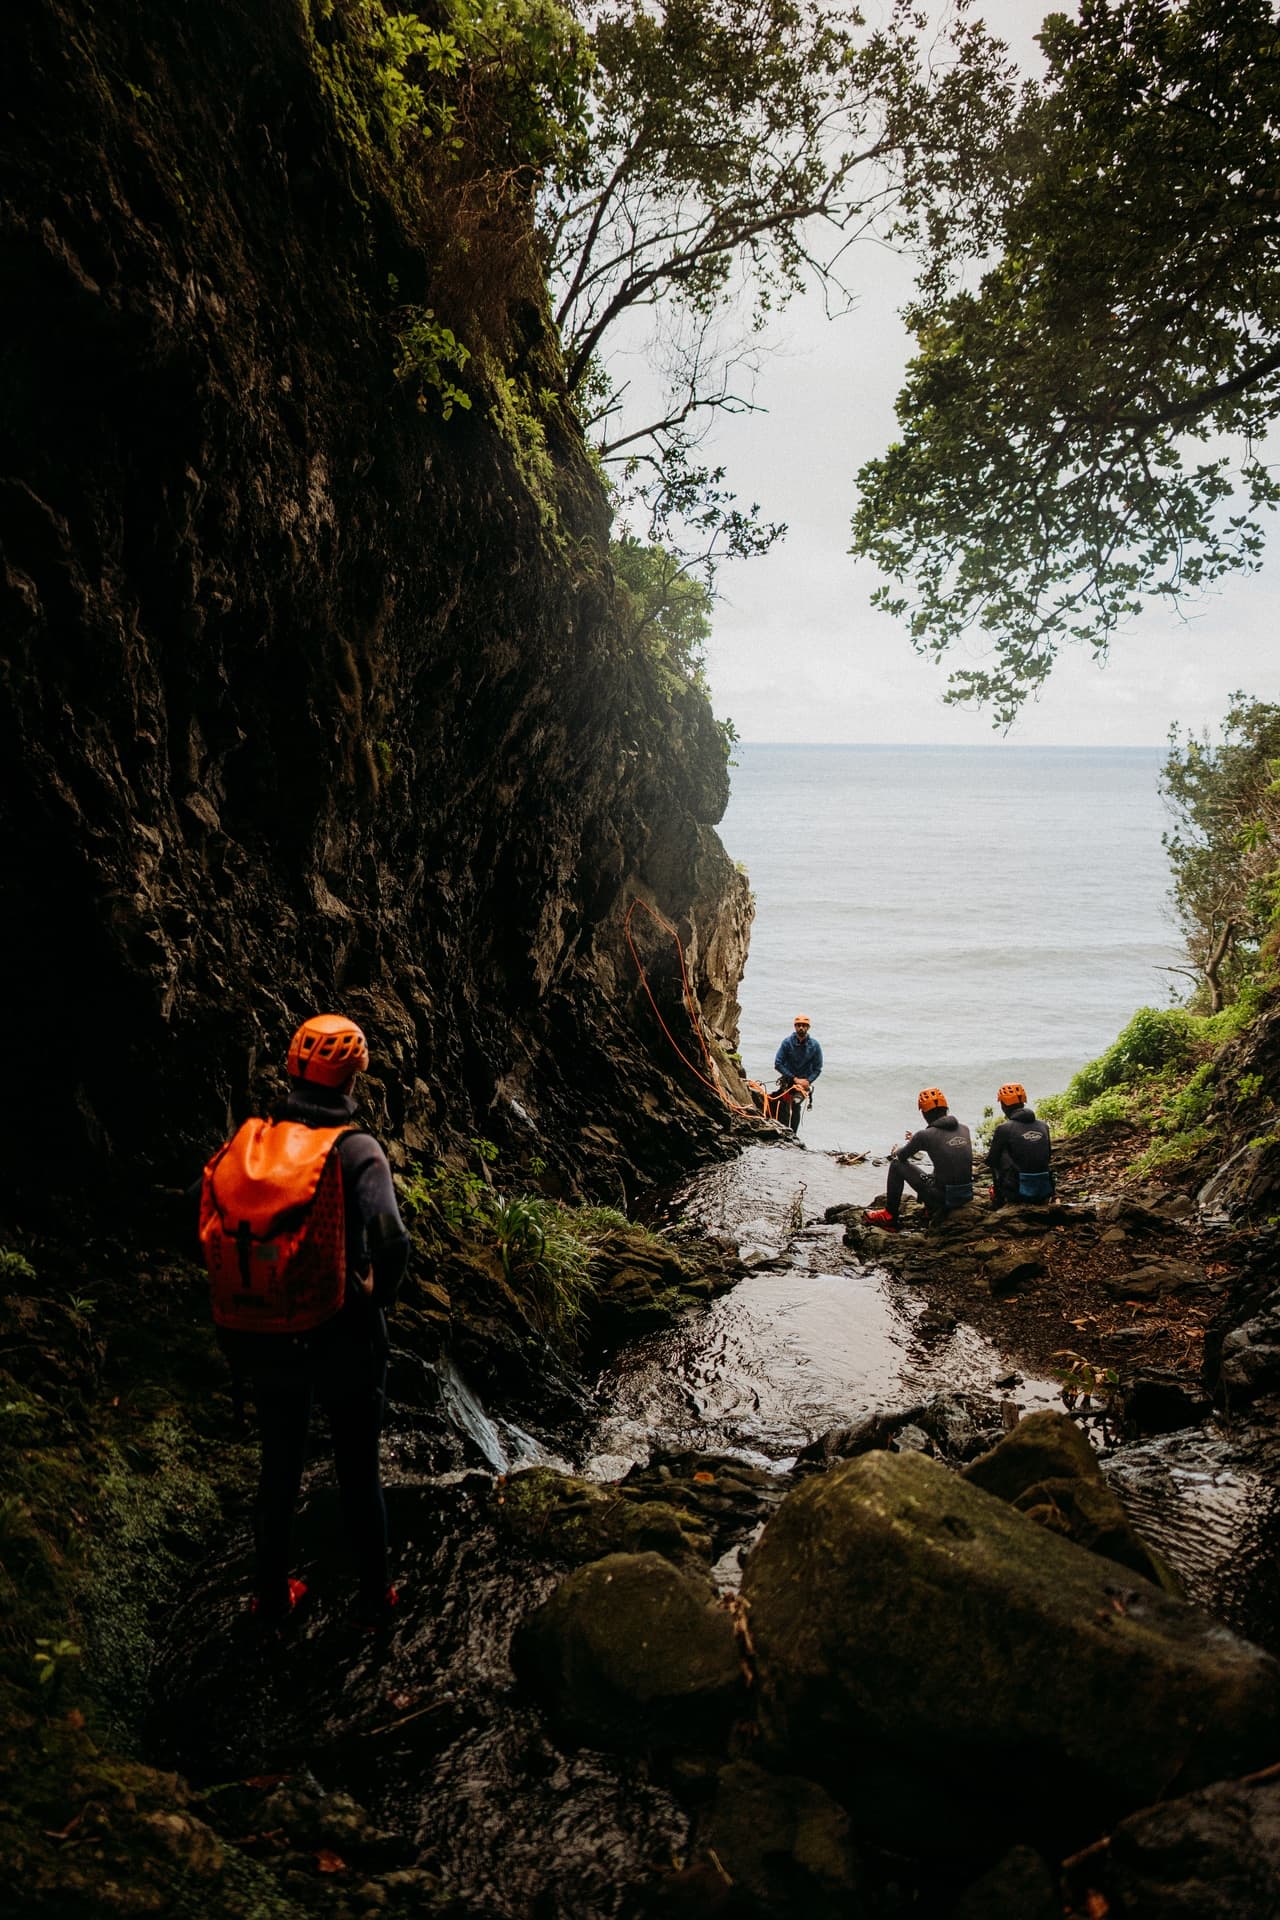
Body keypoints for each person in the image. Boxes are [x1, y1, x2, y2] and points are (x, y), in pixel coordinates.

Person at [198, 1014, 411, 1628]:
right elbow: (391, 1241)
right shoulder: (357, 1151)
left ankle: (269, 1594)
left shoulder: (253, 1144)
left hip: (267, 1331)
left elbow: (200, 1206)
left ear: (293, 1066)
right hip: (344, 1330)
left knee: (280, 1463)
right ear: (355, 1077)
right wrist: (377, 1296)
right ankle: (375, 1597)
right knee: (357, 1467)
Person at [865, 1087, 974, 1228]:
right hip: (965, 1196)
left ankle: (889, 1215)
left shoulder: (925, 1135)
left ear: (924, 1113)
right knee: (942, 1167)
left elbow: (902, 1156)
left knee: (896, 1165)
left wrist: (897, 1149)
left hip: (944, 1199)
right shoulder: (964, 1128)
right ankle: (930, 1209)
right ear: (946, 1109)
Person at [988, 1082, 1055, 1205]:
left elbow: (992, 1161)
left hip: (1018, 1192)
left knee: (999, 1156)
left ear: (1003, 1105)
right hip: (1044, 1188)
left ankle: (1000, 1199)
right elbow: (1048, 1155)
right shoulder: (1043, 1126)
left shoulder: (1004, 1129)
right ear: (1023, 1102)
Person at [773, 1013, 823, 1132]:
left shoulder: (815, 1046)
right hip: (788, 1080)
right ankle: (784, 1132)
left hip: (803, 1084)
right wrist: (794, 1078)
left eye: (804, 1025)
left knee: (795, 1104)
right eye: (799, 1025)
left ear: (808, 1028)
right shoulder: (787, 1043)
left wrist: (808, 1081)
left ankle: (793, 1134)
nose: (801, 1028)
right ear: (795, 1027)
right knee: (784, 1105)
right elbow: (778, 1063)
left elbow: (818, 1068)